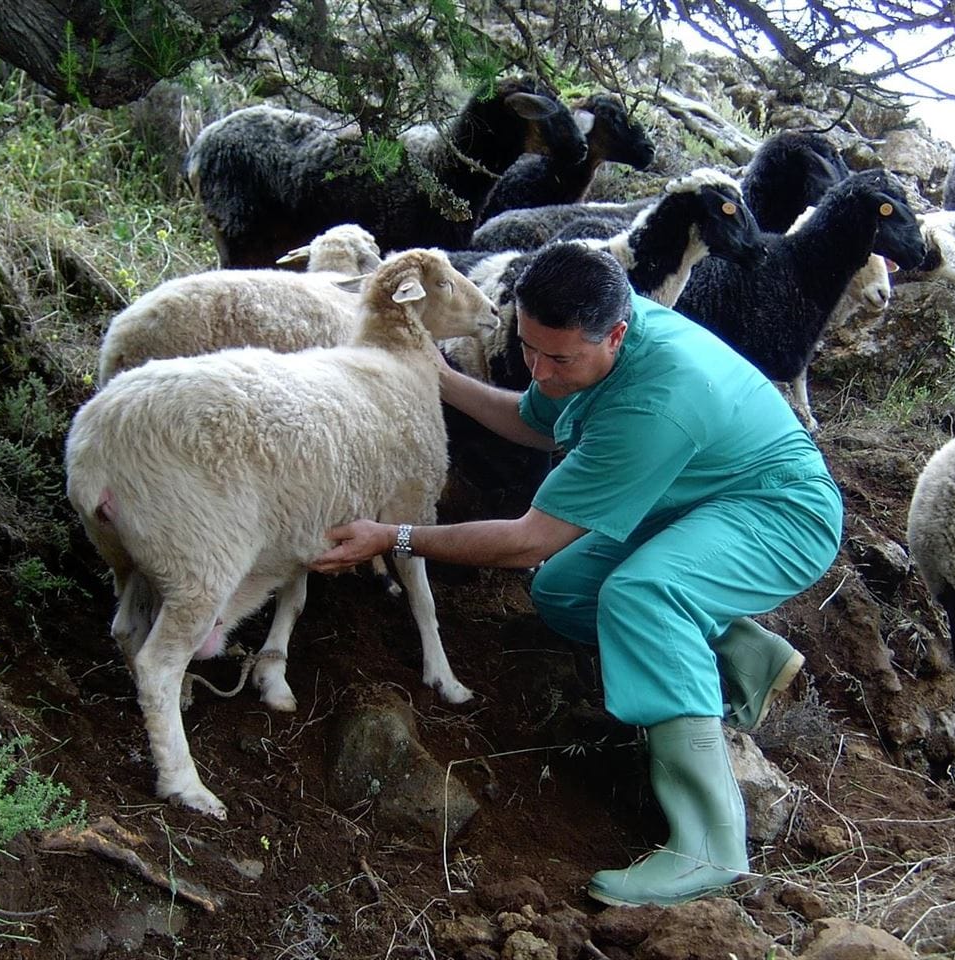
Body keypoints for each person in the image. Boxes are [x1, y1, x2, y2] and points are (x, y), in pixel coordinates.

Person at [311, 243, 843, 906]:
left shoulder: (654, 401)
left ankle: (709, 843)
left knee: (644, 593)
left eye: (556, 358)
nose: (539, 369)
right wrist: (437, 377)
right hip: (693, 495)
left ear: (616, 334)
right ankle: (745, 653)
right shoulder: (589, 345)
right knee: (563, 589)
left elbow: (523, 541)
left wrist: (396, 537)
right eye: (528, 347)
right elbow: (537, 421)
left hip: (779, 513)